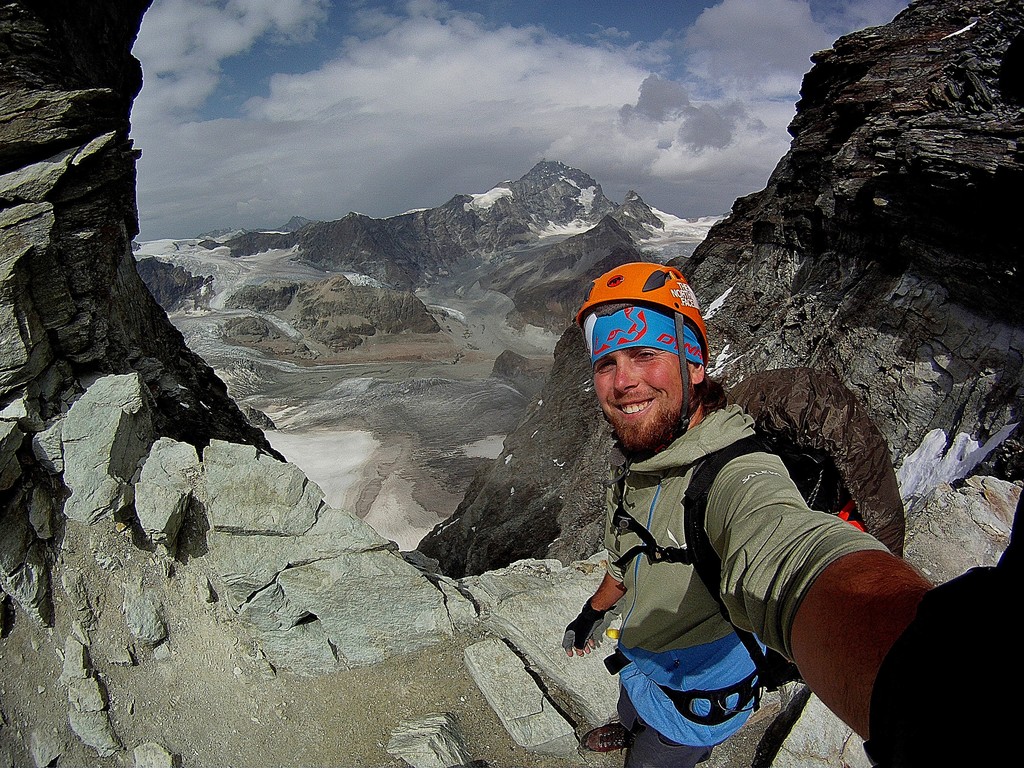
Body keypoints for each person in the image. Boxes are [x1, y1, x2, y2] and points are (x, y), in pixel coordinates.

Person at [562, 261, 938, 767]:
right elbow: (631, 560)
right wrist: (593, 610)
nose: (622, 380)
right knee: (631, 708)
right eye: (606, 364)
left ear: (694, 366)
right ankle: (629, 724)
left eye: (645, 354)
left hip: (692, 707)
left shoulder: (733, 474)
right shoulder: (644, 462)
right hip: (642, 667)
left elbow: (789, 552)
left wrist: (922, 679)